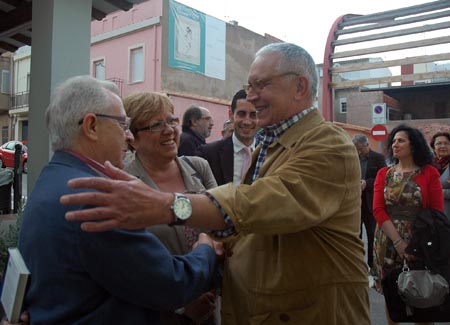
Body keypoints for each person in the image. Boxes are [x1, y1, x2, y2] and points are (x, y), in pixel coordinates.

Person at [61, 43, 370, 324]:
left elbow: (260, 205)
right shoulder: (271, 144)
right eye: (249, 86)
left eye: (261, 84)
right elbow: (249, 223)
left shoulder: (329, 146)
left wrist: (169, 206)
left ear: (300, 86)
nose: (251, 95)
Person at [18, 76, 220, 324]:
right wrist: (205, 249)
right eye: (123, 125)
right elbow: (169, 283)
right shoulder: (96, 196)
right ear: (91, 126)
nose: (128, 137)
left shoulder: (53, 177)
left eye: (172, 121)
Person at [123, 91, 219, 324]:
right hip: (161, 313)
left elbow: (221, 221)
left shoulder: (199, 168)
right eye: (156, 125)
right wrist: (181, 307)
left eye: (171, 120)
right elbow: (130, 268)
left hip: (211, 303)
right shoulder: (125, 184)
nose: (169, 130)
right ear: (133, 139)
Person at [372, 124, 443, 325]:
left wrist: (415, 244)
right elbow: (378, 209)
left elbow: (436, 213)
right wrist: (398, 242)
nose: (395, 144)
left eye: (401, 140)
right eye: (393, 141)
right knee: (391, 293)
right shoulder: (384, 174)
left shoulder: (429, 172)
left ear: (414, 145)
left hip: (420, 240)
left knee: (422, 292)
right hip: (387, 240)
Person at [196, 89, 257, 185]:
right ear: (231, 115)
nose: (247, 121)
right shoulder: (208, 155)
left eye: (253, 115)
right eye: (242, 114)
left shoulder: (268, 155)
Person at [352, 134, 386, 270]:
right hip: (355, 203)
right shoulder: (352, 158)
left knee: (372, 236)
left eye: (360, 149)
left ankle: (372, 266)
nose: (358, 152)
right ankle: (357, 265)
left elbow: (383, 177)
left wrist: (367, 183)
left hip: (371, 202)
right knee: (355, 236)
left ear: (367, 145)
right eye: (356, 149)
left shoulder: (378, 158)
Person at [430, 131, 450, 218]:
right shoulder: (428, 166)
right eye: (438, 143)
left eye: (446, 143)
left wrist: (437, 191)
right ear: (434, 147)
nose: (442, 146)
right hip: (431, 218)